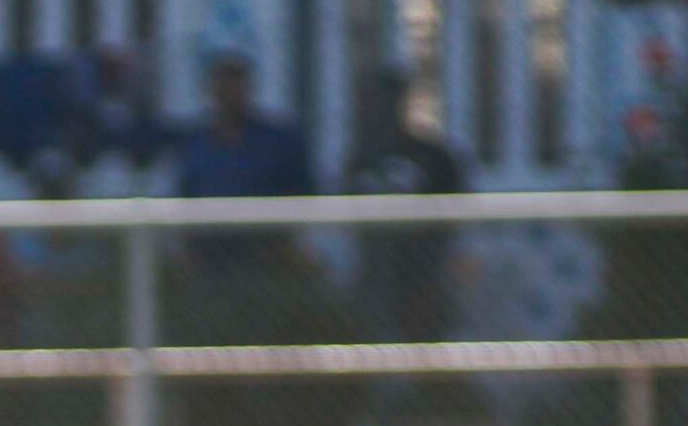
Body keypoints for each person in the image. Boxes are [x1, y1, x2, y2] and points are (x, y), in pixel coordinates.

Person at [166, 52, 316, 336]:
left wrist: (287, 242)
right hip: (208, 263)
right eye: (222, 81)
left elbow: (302, 192)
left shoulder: (277, 140)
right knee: (207, 334)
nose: (229, 90)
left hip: (264, 262)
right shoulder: (195, 143)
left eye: (236, 80)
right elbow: (184, 195)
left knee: (263, 334)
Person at [340, 71, 467, 344]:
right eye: (375, 101)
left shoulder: (434, 156)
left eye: (389, 101)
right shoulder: (361, 159)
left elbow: (454, 216)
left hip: (424, 274)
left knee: (425, 350)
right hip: (374, 273)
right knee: (368, 346)